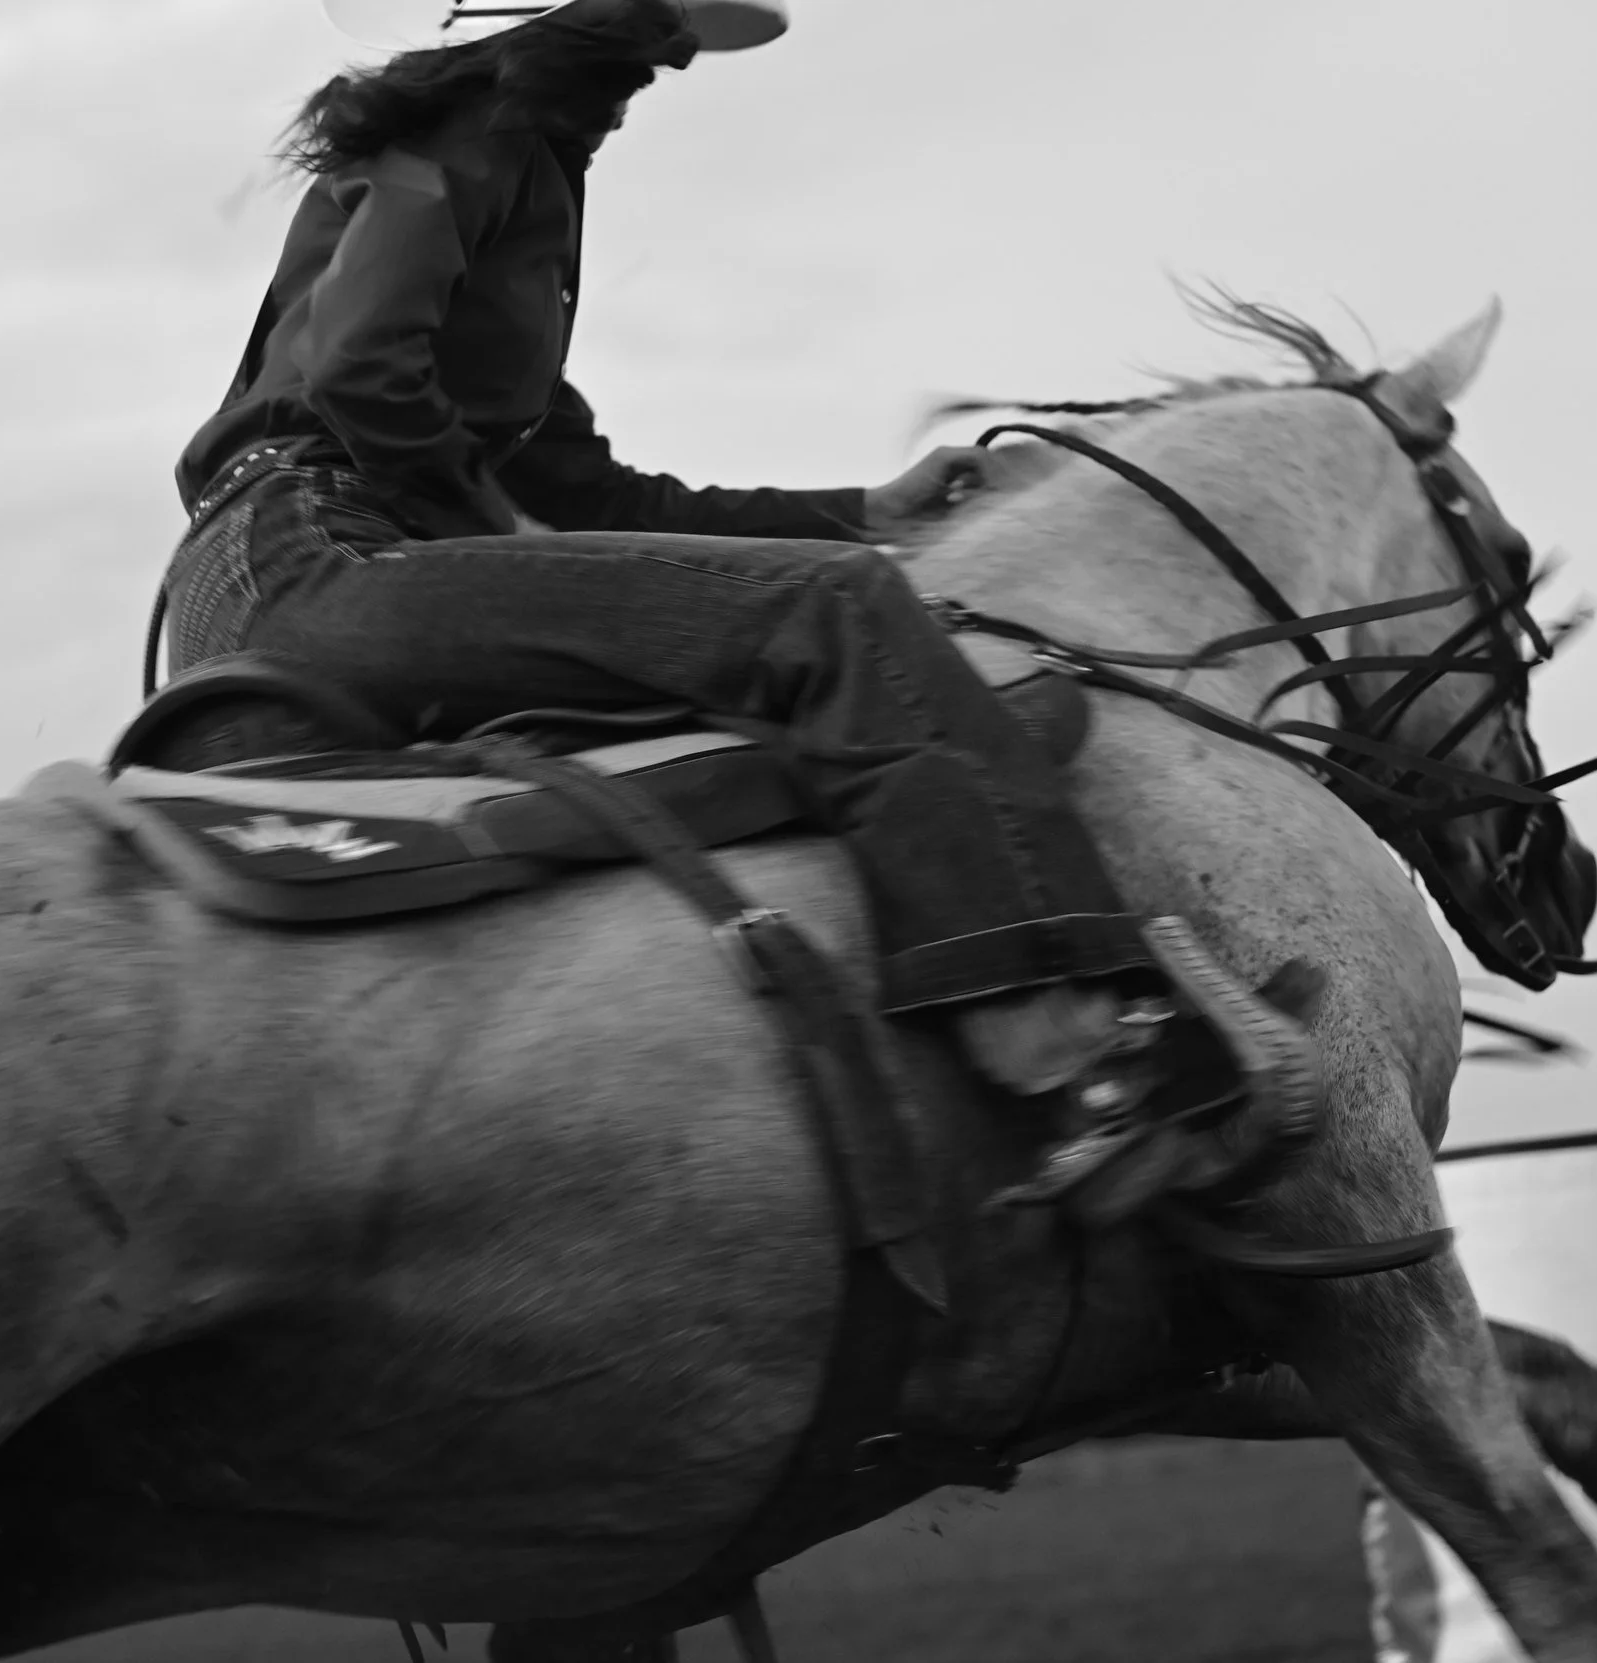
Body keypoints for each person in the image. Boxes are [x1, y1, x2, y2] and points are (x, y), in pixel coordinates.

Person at [156, 0, 1319, 1225]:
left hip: (276, 571)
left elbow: (594, 492)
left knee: (829, 590)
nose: (652, 81)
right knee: (842, 616)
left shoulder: (506, 186)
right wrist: (485, 528)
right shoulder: (485, 130)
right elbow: (359, 374)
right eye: (652, 47)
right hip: (321, 558)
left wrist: (869, 507)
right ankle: (1077, 1046)